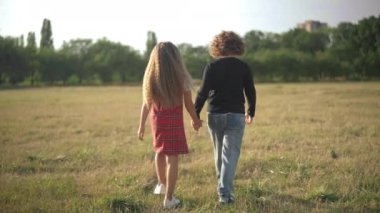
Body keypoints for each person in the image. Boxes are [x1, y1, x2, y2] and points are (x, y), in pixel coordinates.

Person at [137, 42, 202, 209]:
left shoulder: (151, 78)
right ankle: (169, 199)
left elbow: (146, 104)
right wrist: (195, 119)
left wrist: (141, 125)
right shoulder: (182, 78)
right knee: (172, 158)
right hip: (173, 122)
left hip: (157, 121)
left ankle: (161, 185)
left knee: (159, 152)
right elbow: (188, 104)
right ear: (176, 58)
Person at [194, 31, 256, 204]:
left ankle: (223, 189)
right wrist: (250, 112)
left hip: (215, 115)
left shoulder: (211, 67)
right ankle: (224, 194)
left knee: (219, 153)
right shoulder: (243, 67)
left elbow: (202, 93)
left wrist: (195, 114)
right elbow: (250, 91)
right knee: (230, 155)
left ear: (217, 47)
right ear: (237, 46)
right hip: (236, 115)